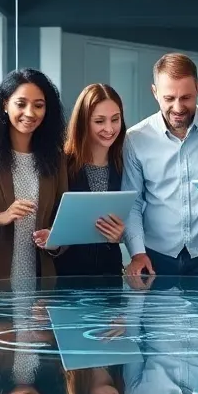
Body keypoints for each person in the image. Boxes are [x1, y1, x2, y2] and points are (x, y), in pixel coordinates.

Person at [123, 53, 198, 279]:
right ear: (155, 92)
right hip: (155, 257)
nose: (178, 107)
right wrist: (137, 253)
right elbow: (132, 202)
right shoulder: (135, 138)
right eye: (169, 98)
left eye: (186, 97)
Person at [0, 69, 69, 283]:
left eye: (39, 105)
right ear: (4, 104)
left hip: (41, 284)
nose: (30, 113)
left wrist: (53, 239)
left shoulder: (55, 157)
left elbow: (63, 220)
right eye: (21, 104)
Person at [55, 83, 128, 278]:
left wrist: (121, 235)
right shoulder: (61, 163)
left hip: (110, 276)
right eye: (99, 121)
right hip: (66, 278)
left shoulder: (124, 163)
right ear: (83, 123)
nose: (109, 128)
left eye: (115, 119)